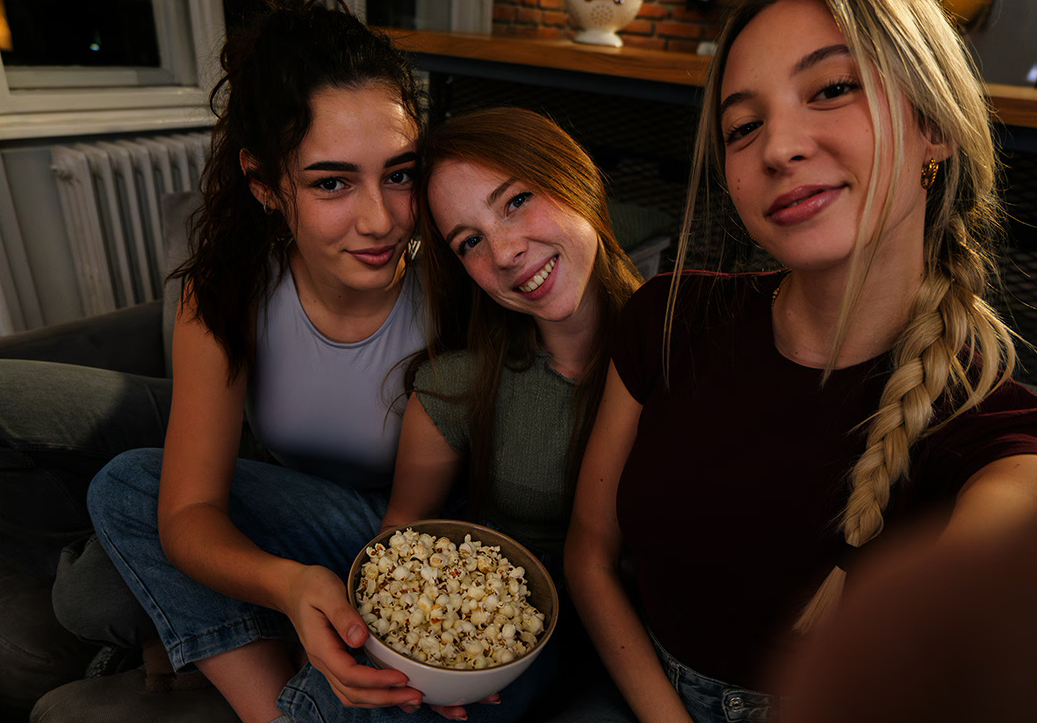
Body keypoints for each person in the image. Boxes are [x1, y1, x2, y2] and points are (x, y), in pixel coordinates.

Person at [563, 1, 1037, 722]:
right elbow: (589, 553)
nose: (777, 148)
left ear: (933, 128)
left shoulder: (993, 433)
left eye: (832, 89)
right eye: (742, 127)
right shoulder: (668, 316)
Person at [84, 3, 428, 723]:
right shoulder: (227, 293)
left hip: (423, 541)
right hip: (301, 525)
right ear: (264, 182)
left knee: (95, 588)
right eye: (331, 182)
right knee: (124, 488)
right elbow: (189, 510)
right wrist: (288, 585)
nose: (381, 220)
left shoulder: (456, 284)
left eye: (399, 174)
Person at [276, 106, 644, 723]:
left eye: (517, 201)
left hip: (622, 633)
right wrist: (419, 646)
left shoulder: (686, 349)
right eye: (469, 242)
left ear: (576, 176)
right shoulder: (459, 383)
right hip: (502, 610)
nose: (506, 252)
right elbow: (402, 538)